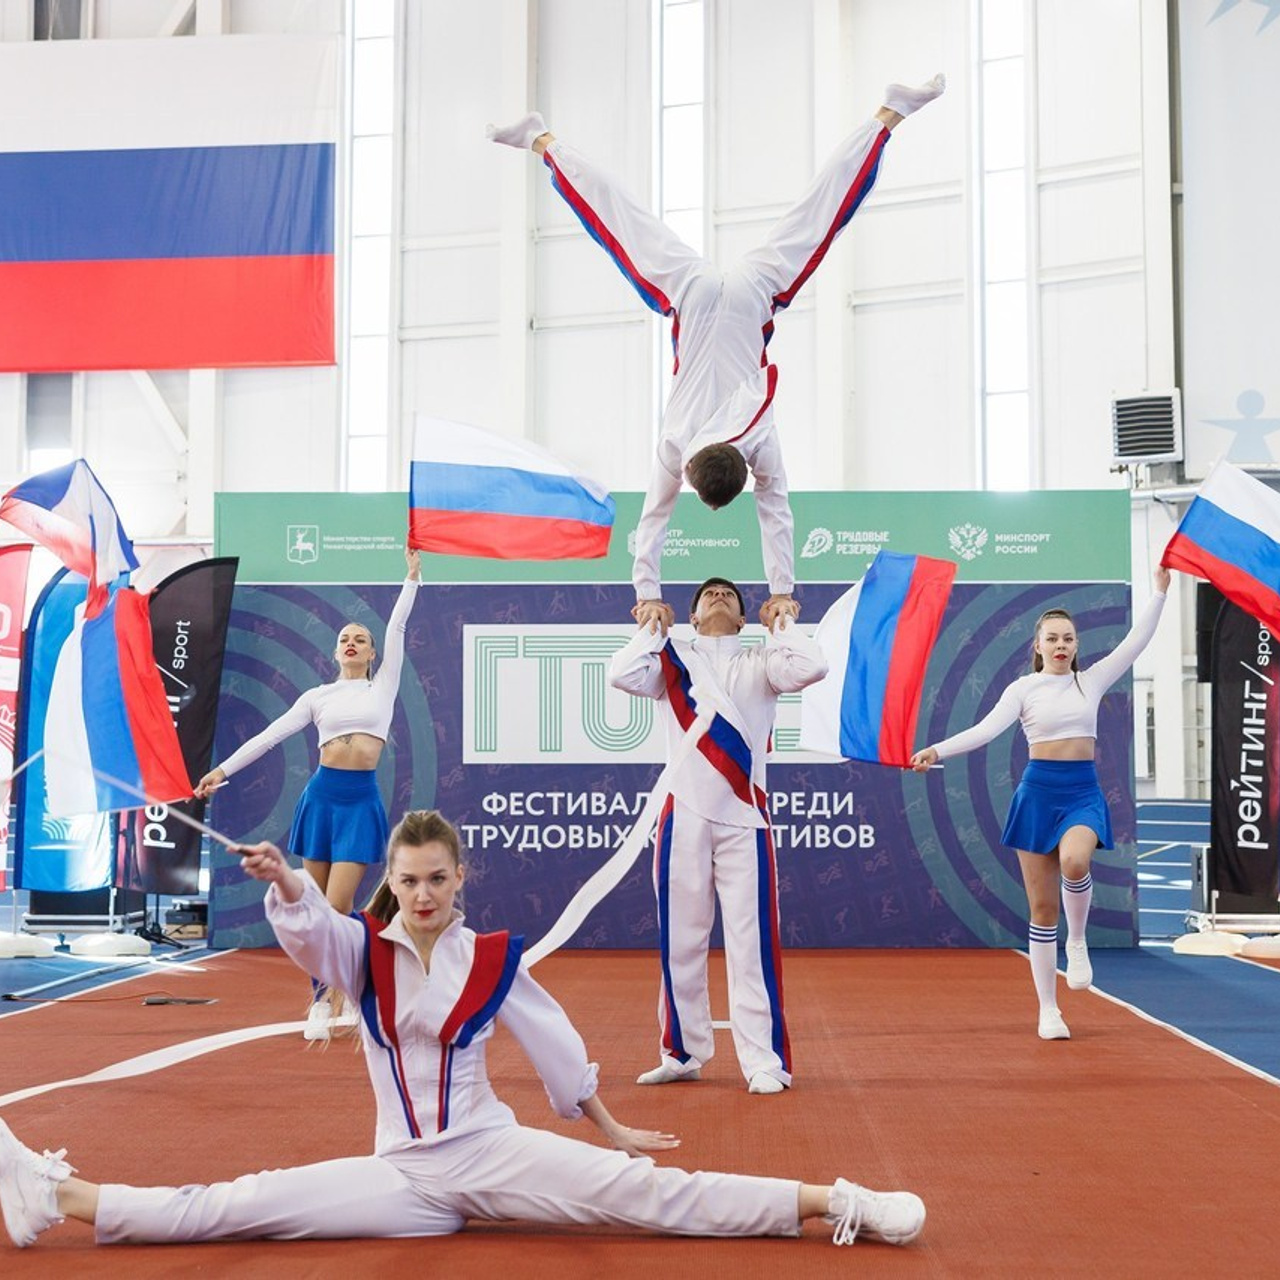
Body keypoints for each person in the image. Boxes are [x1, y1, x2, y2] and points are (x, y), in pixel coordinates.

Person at [0, 810, 926, 1252]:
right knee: (244, 1206)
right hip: (403, 1173)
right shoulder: (362, 951)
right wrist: (285, 882)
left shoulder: (492, 958)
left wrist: (607, 1128)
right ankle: (61, 1194)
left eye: (438, 878)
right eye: (408, 881)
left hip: (492, 1150)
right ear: (392, 884)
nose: (423, 893)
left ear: (459, 877)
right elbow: (316, 938)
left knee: (658, 1197)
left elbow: (554, 1042)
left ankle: (839, 1200)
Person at [489, 75, 945, 635]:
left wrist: (782, 591)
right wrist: (646, 591)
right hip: (692, 294)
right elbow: (653, 521)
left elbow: (777, 513)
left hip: (754, 292)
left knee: (818, 211)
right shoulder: (674, 444)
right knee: (622, 221)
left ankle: (888, 113)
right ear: (691, 473)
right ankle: (543, 141)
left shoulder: (758, 438)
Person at [909, 568, 1171, 1040]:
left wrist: (1159, 591)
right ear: (1037, 646)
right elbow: (985, 731)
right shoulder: (1022, 690)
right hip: (1037, 794)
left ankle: (1078, 939)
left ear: (1075, 645)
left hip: (1081, 793)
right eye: (1052, 638)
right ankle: (1048, 1010)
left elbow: (1137, 640)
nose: (1061, 645)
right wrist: (936, 750)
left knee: (1075, 860)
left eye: (1068, 638)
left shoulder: (1089, 681)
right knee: (1041, 909)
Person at [194, 544, 423, 1039]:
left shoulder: (382, 687)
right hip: (320, 801)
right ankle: (322, 1002)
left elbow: (399, 628)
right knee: (315, 909)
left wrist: (411, 579)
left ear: (372, 652)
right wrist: (223, 772)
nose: (352, 642)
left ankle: (344, 996)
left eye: (360, 638)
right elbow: (269, 736)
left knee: (338, 910)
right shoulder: (316, 697)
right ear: (336, 650)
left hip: (358, 803)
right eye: (345, 637)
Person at [608, 577, 827, 1093]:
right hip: (682, 812)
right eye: (708, 594)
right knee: (679, 940)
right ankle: (682, 1051)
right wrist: (650, 630)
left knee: (751, 943)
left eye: (729, 594)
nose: (719, 596)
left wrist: (784, 622)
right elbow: (619, 675)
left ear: (745, 617)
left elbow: (813, 666)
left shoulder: (762, 660)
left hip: (744, 818)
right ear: (690, 614)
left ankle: (765, 1061)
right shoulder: (673, 659)